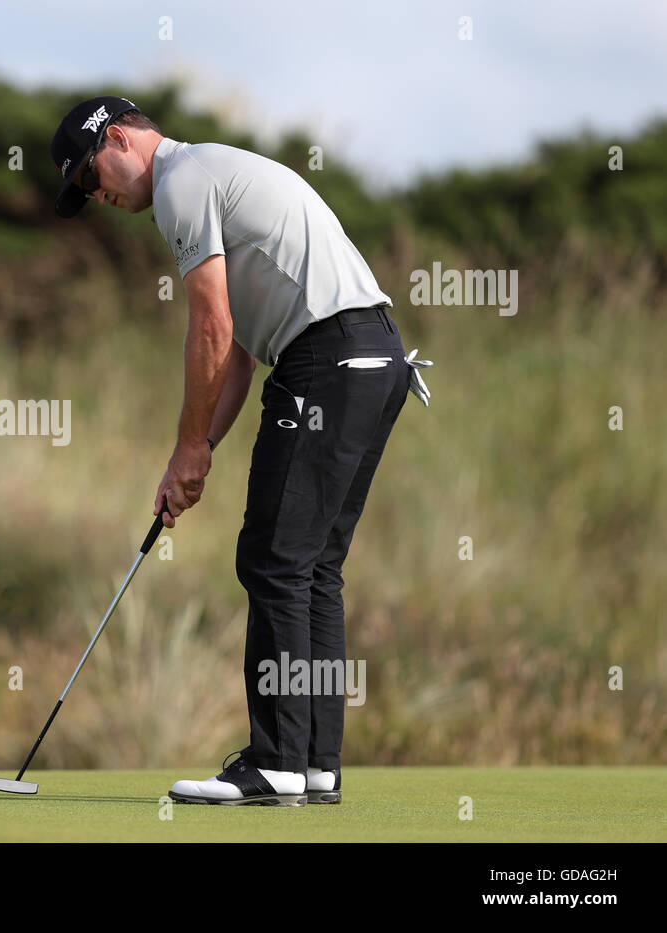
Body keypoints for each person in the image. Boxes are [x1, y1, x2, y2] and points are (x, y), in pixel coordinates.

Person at [50, 96, 432, 806]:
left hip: (327, 359)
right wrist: (196, 454)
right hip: (376, 359)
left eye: (88, 175)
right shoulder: (215, 173)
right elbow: (242, 354)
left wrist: (188, 447)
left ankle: (276, 759)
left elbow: (211, 324)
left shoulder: (180, 181)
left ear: (121, 139)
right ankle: (316, 763)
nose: (93, 194)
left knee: (273, 559)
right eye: (80, 191)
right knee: (314, 568)